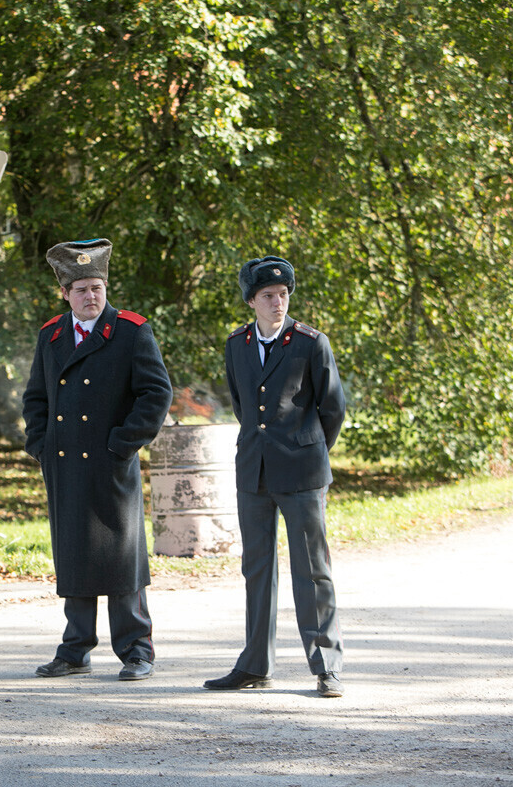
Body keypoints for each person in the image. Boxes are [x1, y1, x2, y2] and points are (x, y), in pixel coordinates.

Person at [22, 238, 173, 681]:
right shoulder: (51, 335)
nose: (91, 296)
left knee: (122, 559)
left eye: (97, 287)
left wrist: (123, 443)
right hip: (65, 463)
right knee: (75, 555)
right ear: (65, 293)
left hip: (111, 463)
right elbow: (36, 397)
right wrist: (41, 445)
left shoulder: (130, 331)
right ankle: (75, 650)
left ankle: (136, 650)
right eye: (82, 289)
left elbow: (156, 393)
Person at [204, 256, 347, 698]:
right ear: (251, 301)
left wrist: (307, 449)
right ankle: (255, 664)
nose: (277, 302)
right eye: (268, 295)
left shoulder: (311, 343)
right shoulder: (237, 344)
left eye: (283, 295)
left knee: (312, 571)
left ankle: (326, 665)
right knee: (257, 570)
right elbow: (242, 405)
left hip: (302, 472)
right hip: (254, 471)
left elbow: (333, 408)